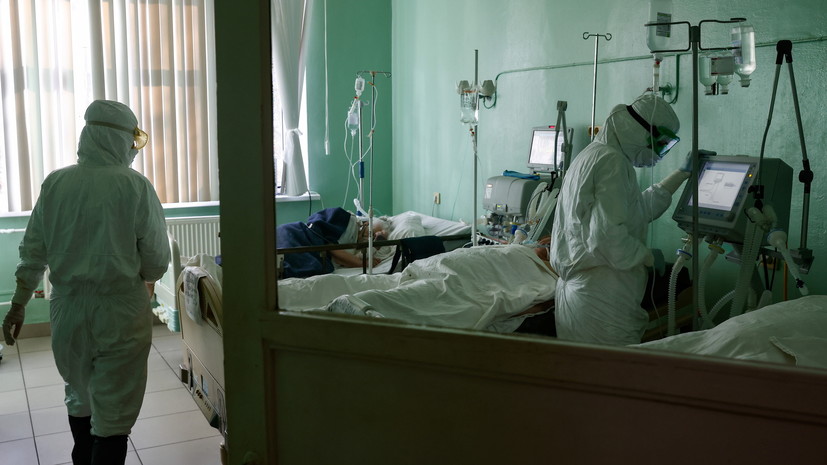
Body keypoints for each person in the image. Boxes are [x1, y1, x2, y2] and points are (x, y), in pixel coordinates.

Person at [2, 100, 170, 464]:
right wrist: (144, 276)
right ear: (119, 140)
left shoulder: (56, 183)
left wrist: (17, 305)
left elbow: (33, 251)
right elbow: (157, 261)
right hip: (121, 313)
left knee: (79, 396)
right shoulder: (135, 187)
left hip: (67, 313)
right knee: (114, 413)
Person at [550, 94, 689, 346]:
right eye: (660, 143)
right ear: (640, 131)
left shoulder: (593, 154)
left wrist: (681, 174)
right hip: (601, 299)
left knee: (586, 368)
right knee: (611, 369)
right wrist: (646, 255)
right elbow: (606, 237)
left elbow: (634, 211)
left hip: (583, 295)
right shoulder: (612, 161)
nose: (660, 152)